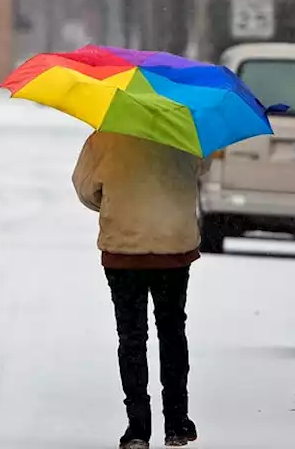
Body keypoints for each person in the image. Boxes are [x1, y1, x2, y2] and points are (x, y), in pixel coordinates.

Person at [72, 131, 212, 449]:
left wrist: (117, 202)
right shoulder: (187, 133)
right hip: (173, 246)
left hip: (124, 247)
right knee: (172, 330)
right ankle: (177, 421)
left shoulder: (105, 138)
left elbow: (85, 189)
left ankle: (137, 428)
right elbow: (200, 170)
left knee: (131, 337)